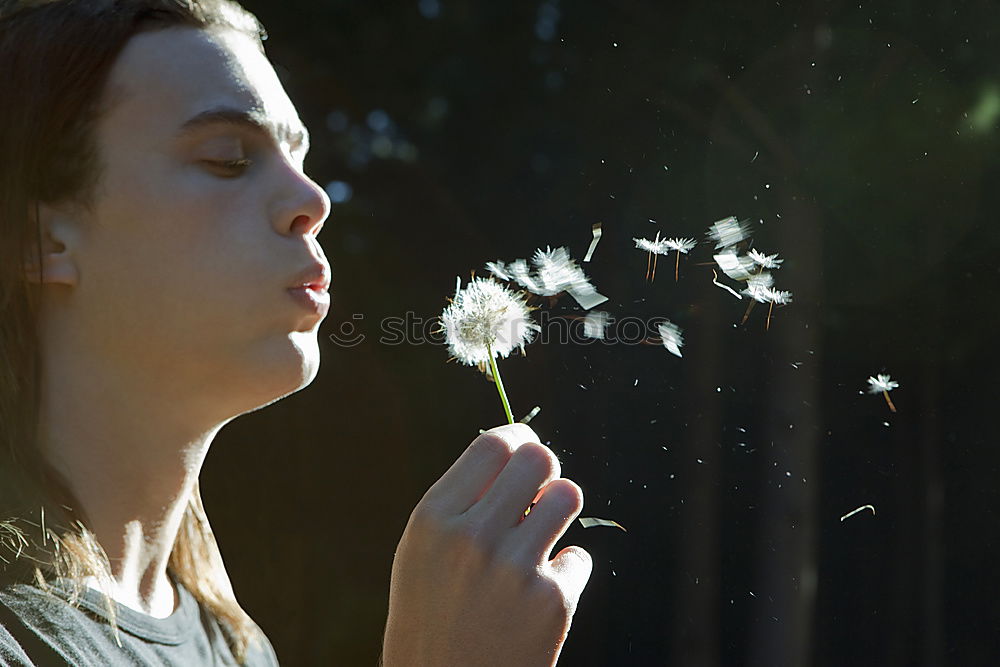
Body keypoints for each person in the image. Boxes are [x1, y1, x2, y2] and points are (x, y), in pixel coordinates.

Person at [0, 1, 592, 665]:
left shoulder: (237, 647)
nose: (314, 199)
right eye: (228, 158)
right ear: (42, 237)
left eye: (299, 155)